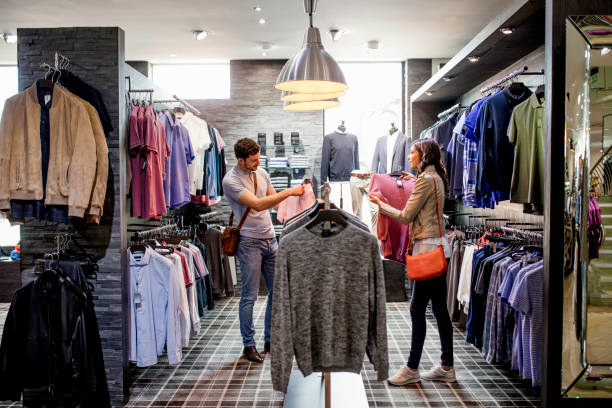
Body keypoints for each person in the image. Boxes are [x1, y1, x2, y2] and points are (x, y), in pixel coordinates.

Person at [369, 139, 455, 384]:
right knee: (439, 310)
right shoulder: (435, 177)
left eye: (412, 153)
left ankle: (412, 368)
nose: (409, 157)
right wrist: (414, 180)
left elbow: (406, 217)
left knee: (417, 309)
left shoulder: (426, 181)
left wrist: (380, 205)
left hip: (426, 250)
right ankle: (447, 366)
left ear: (423, 154)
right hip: (438, 247)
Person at [222, 138, 305, 363]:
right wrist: (289, 191)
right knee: (249, 296)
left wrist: (302, 206)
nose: (258, 163)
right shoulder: (230, 181)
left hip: (270, 239)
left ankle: (270, 340)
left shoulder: (262, 173)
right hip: (249, 242)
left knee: (277, 291)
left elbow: (276, 204)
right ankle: (249, 346)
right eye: (254, 160)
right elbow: (258, 204)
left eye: (259, 158)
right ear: (240, 160)